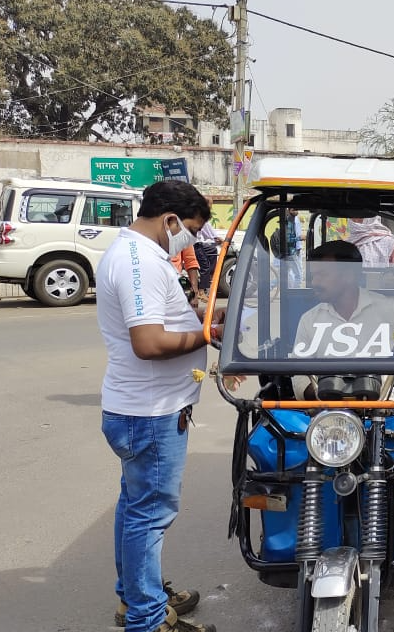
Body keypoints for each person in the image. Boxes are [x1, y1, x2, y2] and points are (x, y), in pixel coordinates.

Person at [96, 180, 220, 632]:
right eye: (188, 229)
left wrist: (201, 323)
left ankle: (136, 599)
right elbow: (148, 342)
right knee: (148, 516)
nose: (188, 239)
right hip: (149, 413)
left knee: (135, 508)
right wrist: (206, 336)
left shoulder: (143, 257)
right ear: (169, 220)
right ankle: (147, 619)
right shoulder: (139, 261)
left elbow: (163, 322)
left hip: (146, 408)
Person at [290, 240, 394, 398]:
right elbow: (298, 374)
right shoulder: (309, 319)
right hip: (327, 416)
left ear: (348, 275)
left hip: (383, 412)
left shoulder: (387, 309)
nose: (314, 282)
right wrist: (325, 396)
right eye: (313, 276)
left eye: (322, 275)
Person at [193, 222, 220, 295]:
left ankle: (209, 277)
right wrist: (216, 237)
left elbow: (206, 230)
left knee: (213, 249)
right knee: (205, 266)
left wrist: (215, 238)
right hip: (194, 244)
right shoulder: (199, 216)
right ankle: (201, 291)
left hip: (198, 243)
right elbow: (207, 229)